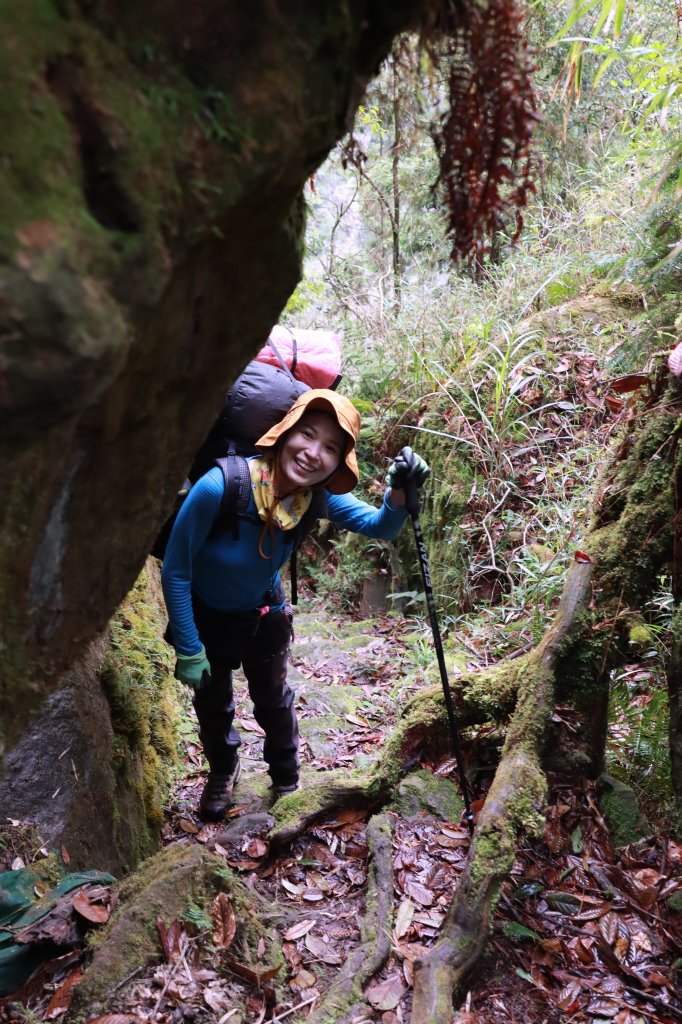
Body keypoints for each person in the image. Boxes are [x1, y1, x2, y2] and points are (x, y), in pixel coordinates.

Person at [161, 389, 430, 821]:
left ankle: (287, 780)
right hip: (206, 615)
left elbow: (380, 526)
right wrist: (190, 648)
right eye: (307, 434)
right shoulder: (220, 486)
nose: (313, 453)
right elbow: (176, 571)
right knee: (212, 704)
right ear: (284, 433)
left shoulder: (314, 497)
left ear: (339, 462)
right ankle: (224, 770)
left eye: (330, 448)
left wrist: (399, 492)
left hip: (264, 613)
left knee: (273, 699)